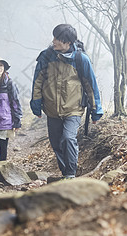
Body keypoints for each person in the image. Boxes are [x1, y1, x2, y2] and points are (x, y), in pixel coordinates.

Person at [30, 24, 103, 179]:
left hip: (73, 109)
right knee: (56, 144)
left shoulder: (80, 59)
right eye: (54, 37)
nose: (54, 41)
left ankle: (71, 174)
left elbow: (91, 86)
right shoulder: (47, 56)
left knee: (68, 138)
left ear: (68, 42)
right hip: (51, 109)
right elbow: (38, 81)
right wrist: (36, 103)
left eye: (58, 39)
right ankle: (65, 174)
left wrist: (96, 111)